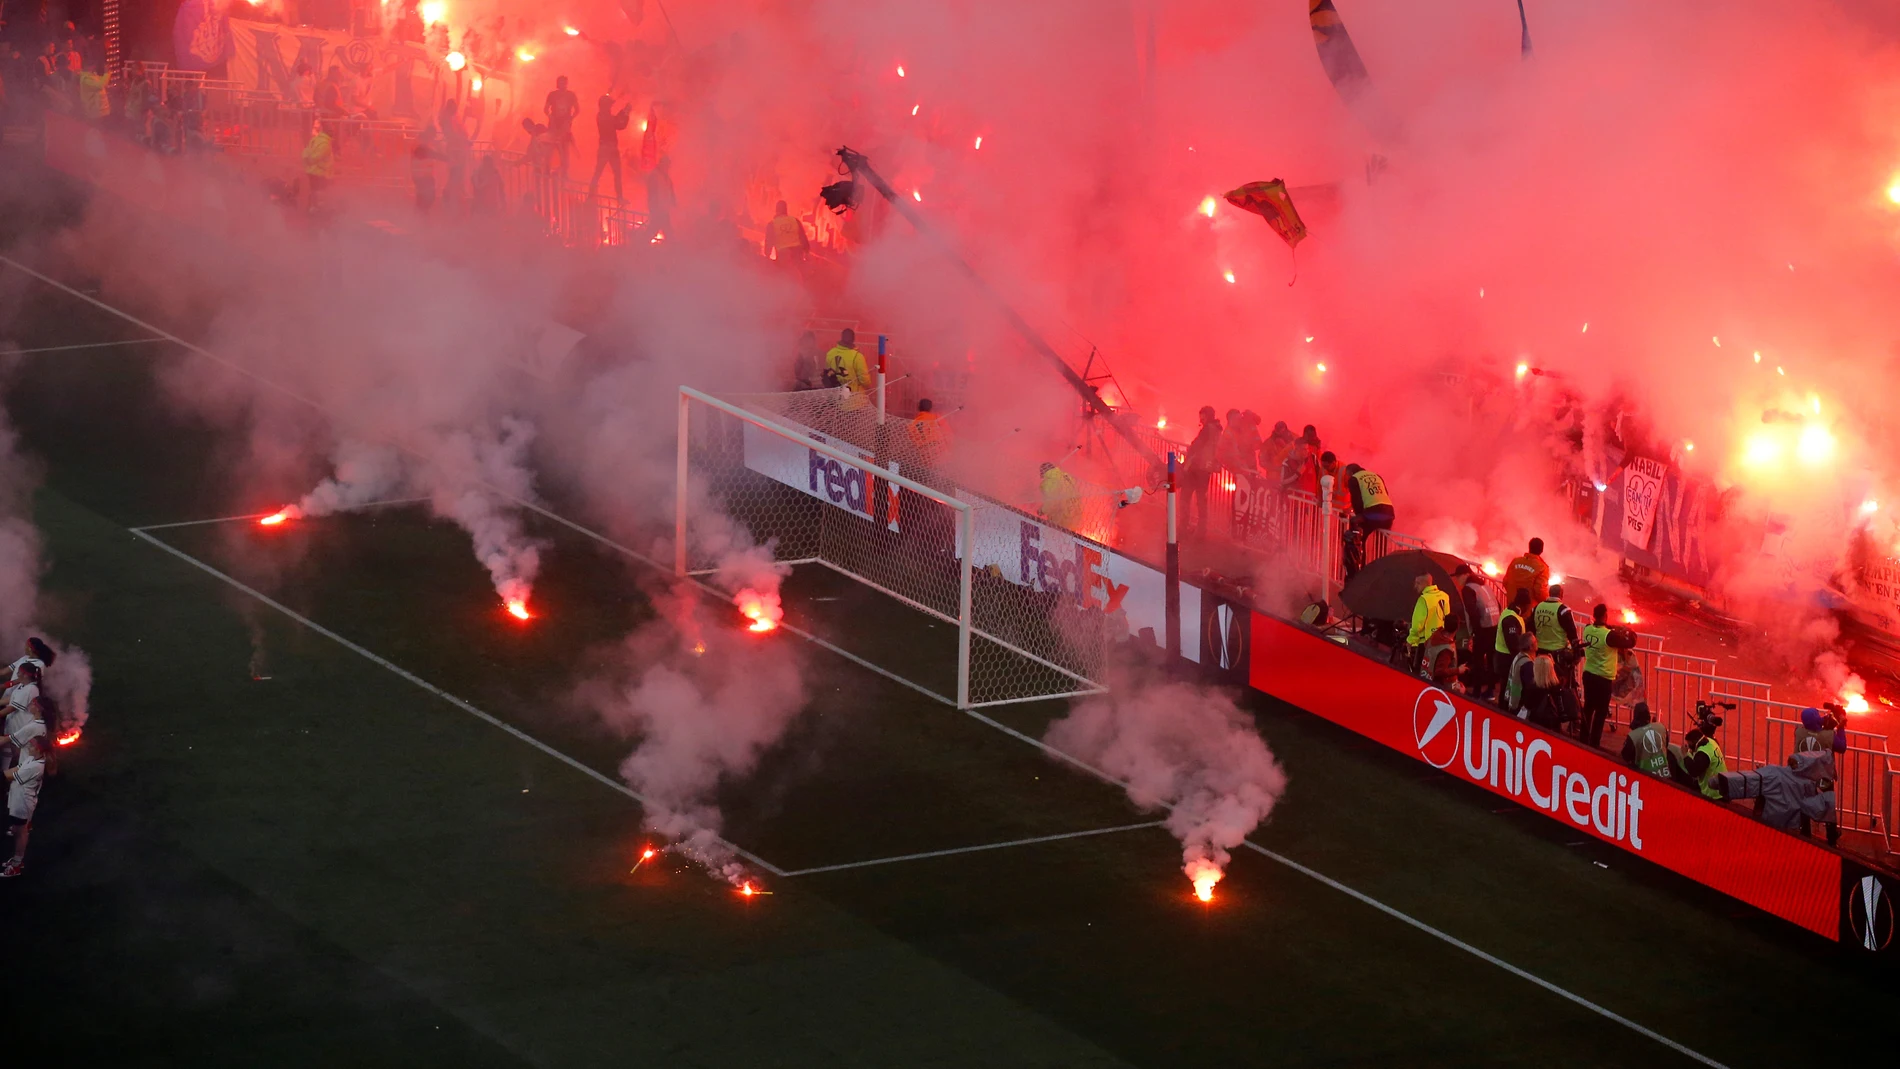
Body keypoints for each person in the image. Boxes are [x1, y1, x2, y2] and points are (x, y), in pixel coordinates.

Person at [1578, 603, 1636, 748]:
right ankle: (1594, 743)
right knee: (1601, 711)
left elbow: (1602, 629)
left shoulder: (1588, 629)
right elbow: (1630, 642)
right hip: (1603, 678)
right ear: (1605, 615)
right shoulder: (1609, 636)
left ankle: (1583, 737)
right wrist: (1629, 631)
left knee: (1588, 707)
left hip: (1588, 674)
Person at [1333, 460, 1393, 578]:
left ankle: (1361, 573)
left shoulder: (1354, 479)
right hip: (1389, 513)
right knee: (1381, 546)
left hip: (1372, 514)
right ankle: (1380, 573)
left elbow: (1357, 500)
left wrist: (1359, 515)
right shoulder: (1376, 476)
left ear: (1349, 473)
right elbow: (1385, 494)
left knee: (1360, 540)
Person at [1, 728, 43, 878]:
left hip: (22, 804)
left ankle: (17, 864)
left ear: (39, 750)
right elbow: (16, 768)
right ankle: (17, 860)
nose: (29, 748)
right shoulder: (33, 760)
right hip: (19, 800)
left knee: (20, 833)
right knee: (20, 831)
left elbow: (8, 777)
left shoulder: (35, 766)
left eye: (32, 746)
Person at [1182, 406, 1222, 536]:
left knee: (1185, 496)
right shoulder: (1217, 429)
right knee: (1201, 498)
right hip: (1206, 468)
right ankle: (1201, 528)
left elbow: (1197, 445)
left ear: (1207, 415)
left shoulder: (1207, 429)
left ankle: (1184, 524)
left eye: (1202, 415)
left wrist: (1188, 456)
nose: (1200, 418)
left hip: (1197, 467)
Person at [1493, 588, 1534, 704]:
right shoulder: (1511, 619)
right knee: (1507, 689)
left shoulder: (1511, 613)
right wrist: (1522, 659)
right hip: (1506, 660)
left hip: (1505, 658)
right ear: (1524, 605)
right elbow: (1513, 644)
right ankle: (1503, 712)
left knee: (1507, 688)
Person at [588, 93, 630, 201]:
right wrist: (625, 112)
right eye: (609, 105)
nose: (611, 107)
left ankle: (592, 195)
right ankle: (591, 196)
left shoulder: (602, 115)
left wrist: (624, 113)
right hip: (607, 148)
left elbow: (618, 123)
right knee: (600, 173)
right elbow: (619, 124)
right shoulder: (603, 116)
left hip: (608, 148)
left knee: (611, 174)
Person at [1406, 573, 1450, 674]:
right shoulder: (1445, 596)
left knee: (1421, 673)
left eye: (1417, 583)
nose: (1415, 586)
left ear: (1424, 584)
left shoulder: (1424, 600)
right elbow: (1447, 617)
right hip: (1442, 640)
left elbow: (1417, 625)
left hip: (1426, 643)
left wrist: (1410, 640)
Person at [1620, 702, 1672, 780]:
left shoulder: (1633, 736)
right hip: (1665, 776)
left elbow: (1625, 756)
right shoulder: (1661, 727)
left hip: (1644, 777)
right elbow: (1666, 744)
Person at [543, 74, 579, 175]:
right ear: (557, 84)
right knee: (550, 148)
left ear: (566, 84)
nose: (562, 85)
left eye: (563, 83)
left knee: (564, 149)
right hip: (554, 126)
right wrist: (551, 118)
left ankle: (564, 172)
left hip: (565, 127)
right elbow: (545, 109)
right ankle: (547, 169)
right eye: (560, 83)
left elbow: (577, 110)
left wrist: (570, 119)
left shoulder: (571, 95)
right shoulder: (552, 95)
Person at [1502, 538, 1551, 610]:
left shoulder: (1515, 561)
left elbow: (1506, 581)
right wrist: (1548, 602)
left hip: (1511, 608)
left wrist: (1513, 594)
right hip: (1528, 611)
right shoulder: (1542, 568)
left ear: (1529, 547)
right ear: (1541, 550)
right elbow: (1539, 591)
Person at [763, 199, 809, 269]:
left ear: (776, 210)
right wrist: (806, 252)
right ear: (786, 210)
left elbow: (768, 242)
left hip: (783, 255)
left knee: (784, 275)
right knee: (798, 273)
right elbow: (803, 237)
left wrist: (767, 256)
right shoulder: (795, 221)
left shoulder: (772, 224)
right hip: (797, 253)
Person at [823, 328, 871, 393]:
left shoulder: (830, 353)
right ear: (853, 340)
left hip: (834, 397)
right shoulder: (857, 357)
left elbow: (827, 374)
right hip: (854, 399)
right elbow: (865, 381)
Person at [301, 117, 335, 211]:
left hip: (315, 171)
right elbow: (313, 156)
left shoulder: (317, 141)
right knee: (319, 192)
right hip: (320, 172)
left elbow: (307, 153)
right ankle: (316, 208)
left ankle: (314, 207)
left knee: (316, 191)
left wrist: (307, 161)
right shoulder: (323, 142)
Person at [1039, 461, 1082, 529]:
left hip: (1060, 517)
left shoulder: (1049, 481)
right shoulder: (1067, 477)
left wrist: (1042, 510)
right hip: (1075, 516)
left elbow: (1052, 501)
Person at [644, 155, 676, 238]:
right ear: (661, 164)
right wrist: (653, 208)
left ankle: (640, 245)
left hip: (664, 209)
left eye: (668, 166)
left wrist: (674, 202)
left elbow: (671, 190)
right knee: (661, 230)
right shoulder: (654, 175)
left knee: (655, 229)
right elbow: (652, 193)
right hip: (658, 209)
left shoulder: (666, 178)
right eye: (666, 165)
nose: (667, 168)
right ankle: (640, 246)